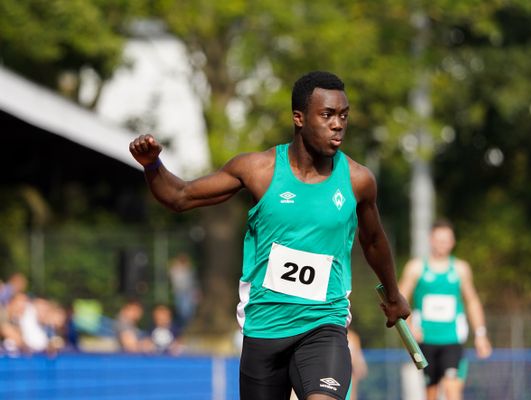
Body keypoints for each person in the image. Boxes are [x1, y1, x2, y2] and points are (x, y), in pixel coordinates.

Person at [129, 70, 410, 400]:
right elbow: (180, 196)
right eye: (328, 115)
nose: (338, 124)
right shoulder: (258, 171)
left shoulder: (358, 180)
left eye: (343, 115)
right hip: (264, 327)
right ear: (299, 118)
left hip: (324, 323)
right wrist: (151, 165)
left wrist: (393, 296)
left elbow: (374, 240)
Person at [398, 219, 492, 400]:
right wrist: (409, 327)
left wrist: (481, 334)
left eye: (446, 240)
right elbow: (398, 299)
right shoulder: (416, 268)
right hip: (425, 340)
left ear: (453, 242)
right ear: (430, 240)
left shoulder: (460, 269)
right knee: (431, 393)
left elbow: (472, 301)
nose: (442, 244)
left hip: (452, 340)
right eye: (438, 240)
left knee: (452, 390)